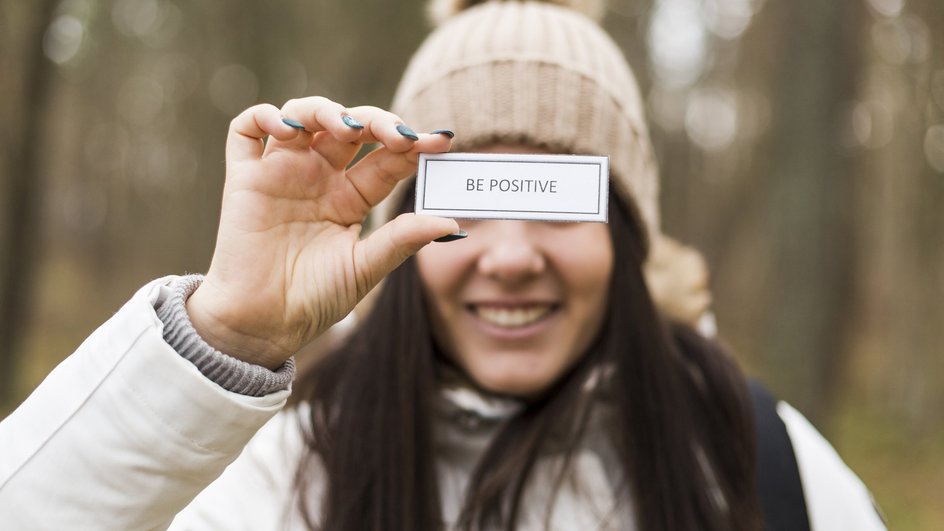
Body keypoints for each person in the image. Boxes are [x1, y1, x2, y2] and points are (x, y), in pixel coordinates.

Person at [0, 0, 885, 529]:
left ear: (628, 236)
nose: (506, 255)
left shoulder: (751, 456)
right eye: (466, 198)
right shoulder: (284, 469)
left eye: (554, 200)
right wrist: (224, 334)